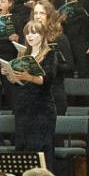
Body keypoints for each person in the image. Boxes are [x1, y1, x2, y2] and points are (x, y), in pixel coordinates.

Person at [9, 20, 66, 163]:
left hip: (42, 108)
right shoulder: (23, 54)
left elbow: (46, 79)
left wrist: (29, 77)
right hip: (23, 106)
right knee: (23, 147)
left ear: (42, 35)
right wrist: (9, 73)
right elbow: (16, 82)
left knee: (40, 147)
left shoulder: (50, 54)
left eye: (34, 33)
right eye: (27, 33)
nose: (30, 36)